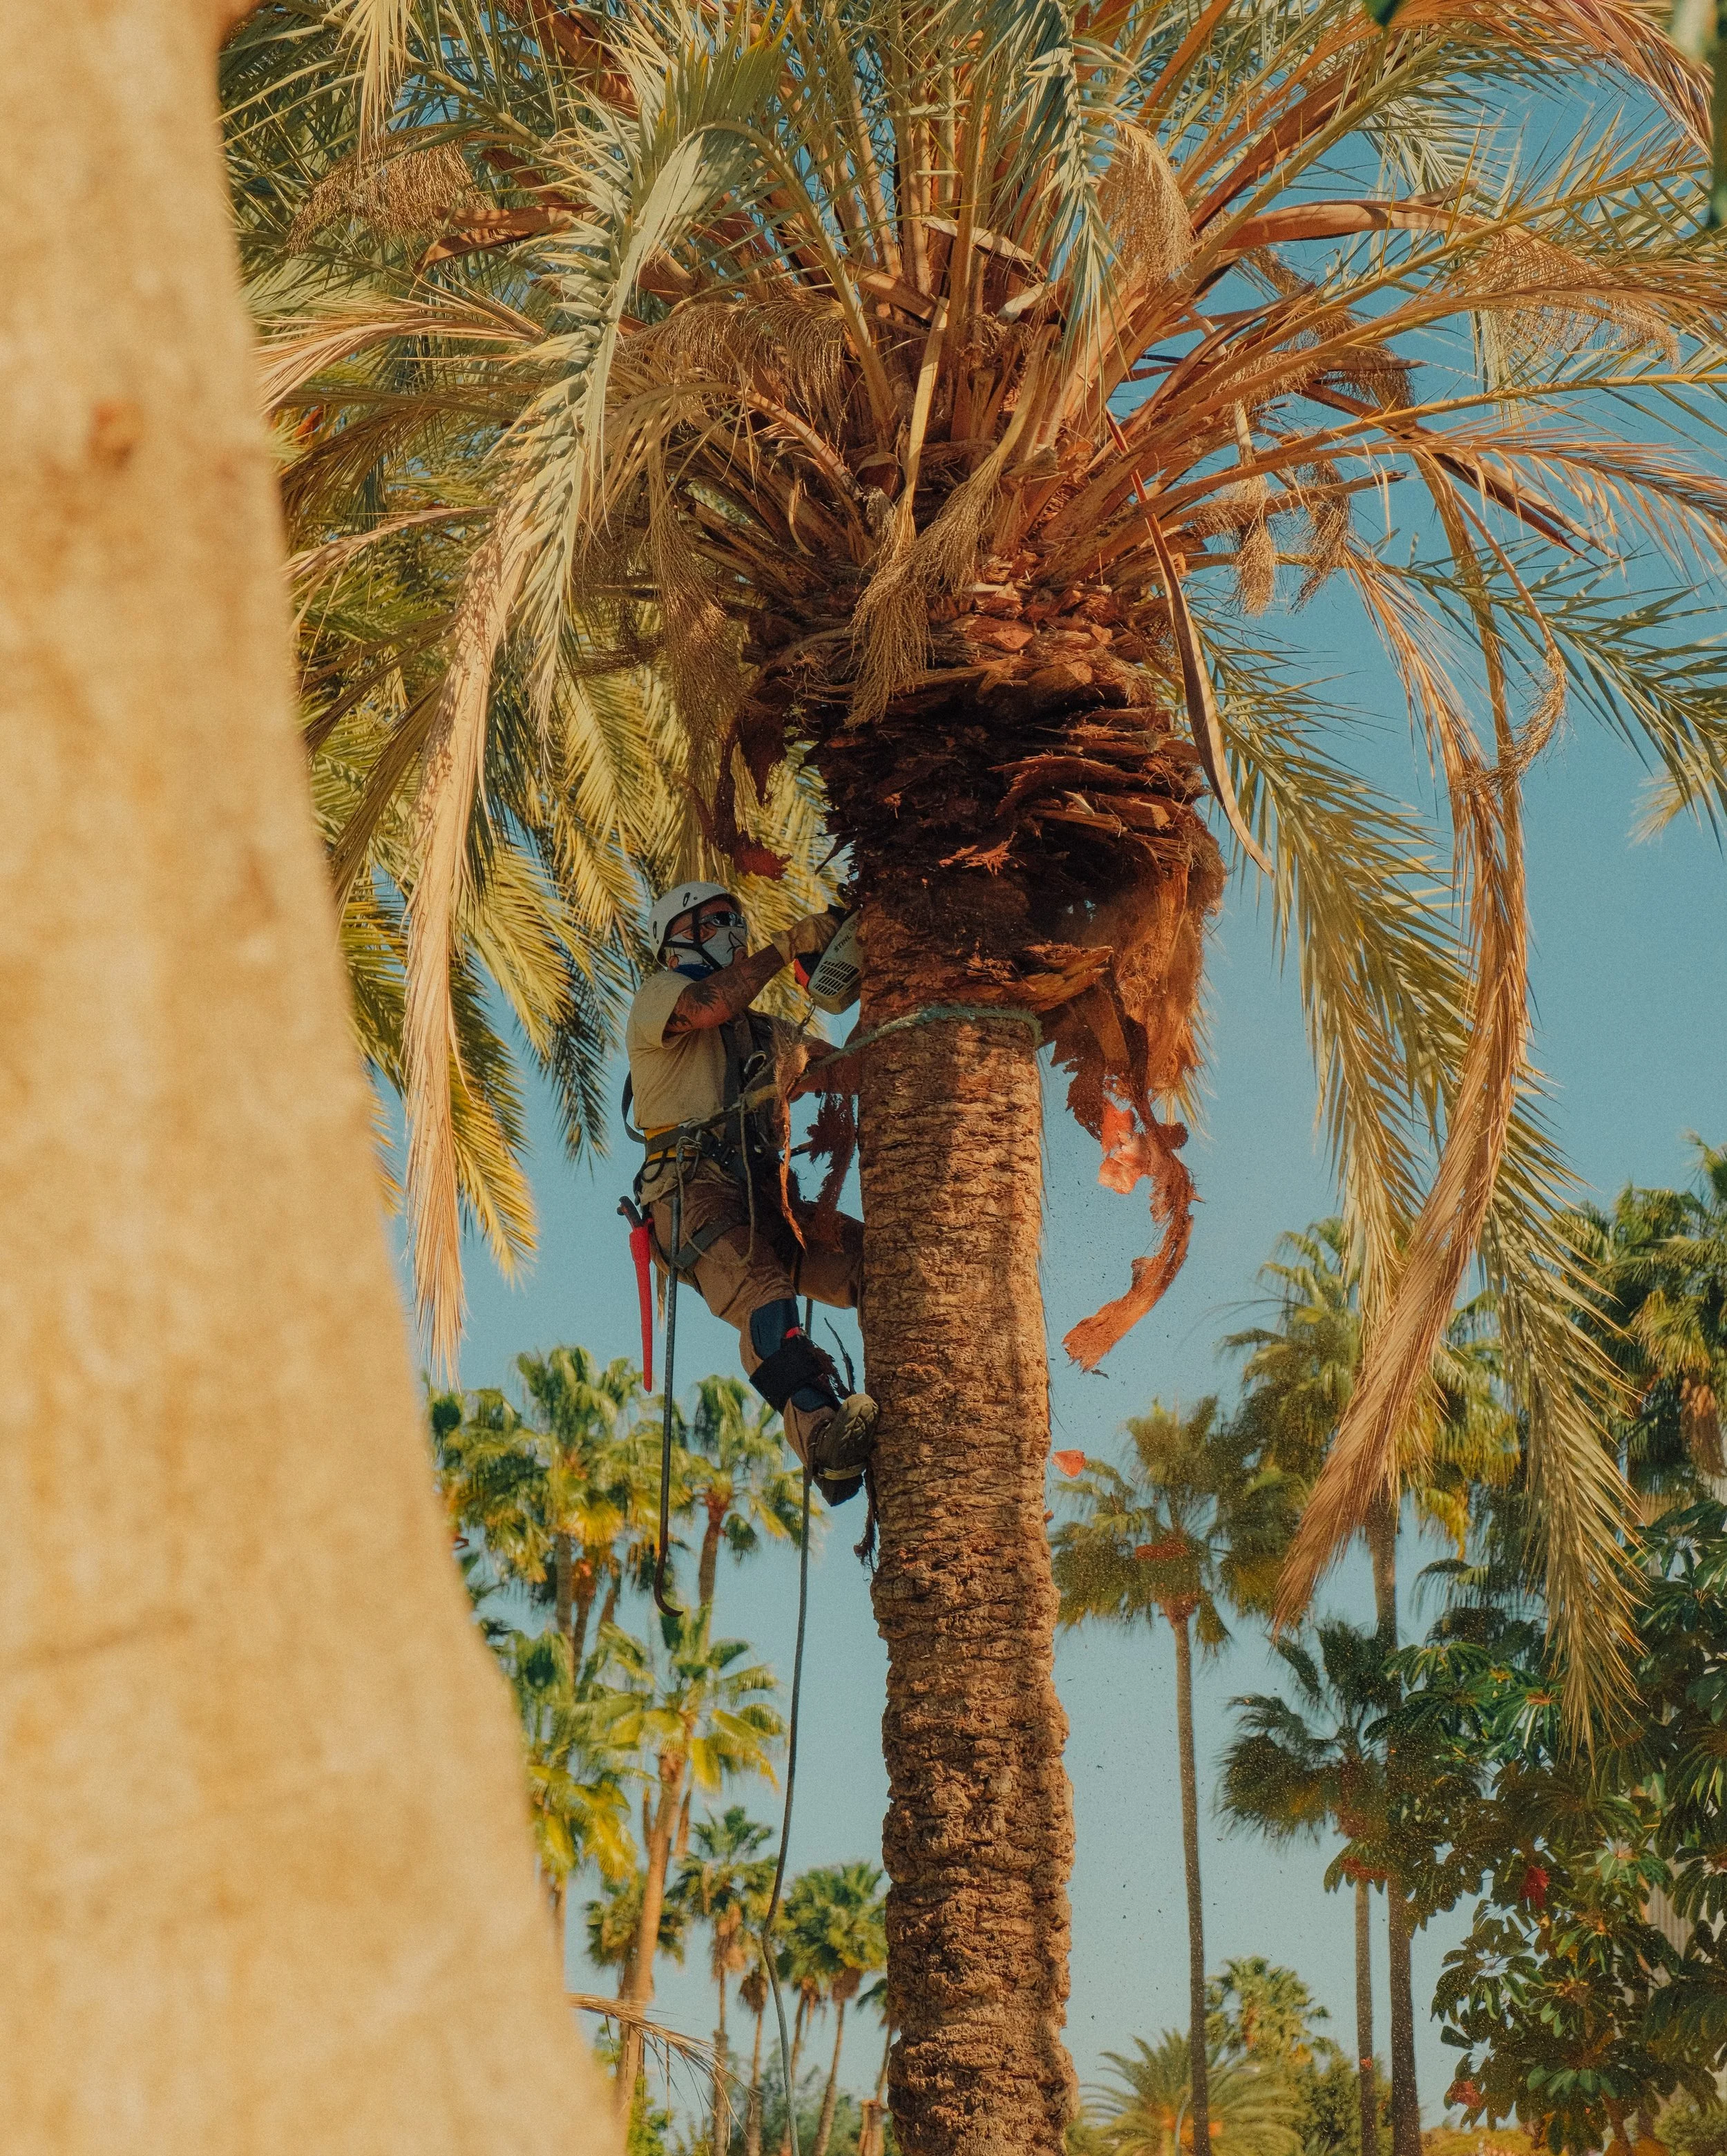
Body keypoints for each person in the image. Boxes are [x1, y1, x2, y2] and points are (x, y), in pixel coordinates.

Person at [624, 880, 877, 1500]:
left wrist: (879, 968)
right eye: (712, 922)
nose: (730, 932)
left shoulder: (770, 1036)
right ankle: (825, 1441)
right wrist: (789, 944)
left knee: (878, 1263)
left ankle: (908, 1392)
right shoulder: (660, 999)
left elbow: (853, 1068)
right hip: (696, 1199)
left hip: (773, 1204)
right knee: (767, 1305)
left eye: (735, 920)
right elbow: (711, 1003)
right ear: (673, 942)